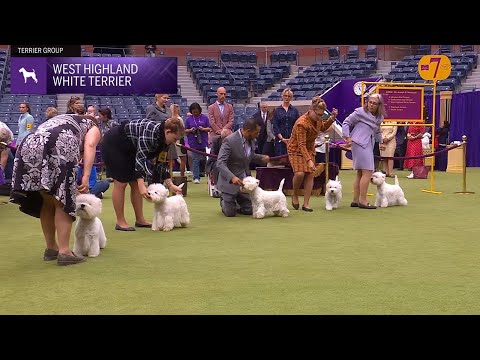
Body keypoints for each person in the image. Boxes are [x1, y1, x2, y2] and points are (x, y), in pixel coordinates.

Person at [9, 114, 102, 266]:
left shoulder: (66, 119)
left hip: (30, 144)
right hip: (57, 144)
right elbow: (90, 145)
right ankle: (64, 252)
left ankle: (51, 248)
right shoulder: (93, 126)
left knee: (48, 199)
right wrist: (86, 175)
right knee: (62, 199)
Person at [101, 117, 185, 231]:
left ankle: (140, 219)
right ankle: (120, 222)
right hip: (115, 143)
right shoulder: (150, 132)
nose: (175, 142)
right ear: (168, 132)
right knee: (121, 183)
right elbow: (141, 158)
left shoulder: (166, 141)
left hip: (131, 148)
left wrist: (170, 185)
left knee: (135, 183)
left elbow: (161, 162)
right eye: (175, 138)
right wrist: (142, 184)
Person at [287, 97, 337, 212]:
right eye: (318, 115)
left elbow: (323, 127)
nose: (320, 118)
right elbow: (301, 144)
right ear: (311, 109)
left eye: (321, 115)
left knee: (310, 174)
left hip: (309, 148)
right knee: (299, 174)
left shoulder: (318, 119)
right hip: (295, 149)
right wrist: (309, 160)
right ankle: (295, 194)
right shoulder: (301, 123)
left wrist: (332, 118)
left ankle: (306, 204)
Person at [216, 118, 269, 217]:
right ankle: (225, 200)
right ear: (248, 131)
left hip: (245, 184)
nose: (257, 136)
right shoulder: (229, 141)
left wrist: (262, 158)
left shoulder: (251, 140)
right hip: (230, 183)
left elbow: (248, 156)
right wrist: (232, 177)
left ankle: (238, 201)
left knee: (251, 209)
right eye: (256, 133)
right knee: (230, 213)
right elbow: (220, 163)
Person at [342, 93, 385, 209]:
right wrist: (347, 137)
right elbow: (346, 122)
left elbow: (377, 131)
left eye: (374, 103)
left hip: (367, 144)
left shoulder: (379, 117)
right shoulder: (360, 112)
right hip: (359, 143)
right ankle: (363, 201)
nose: (371, 105)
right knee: (368, 171)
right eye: (369, 102)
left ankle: (356, 200)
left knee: (360, 173)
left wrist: (380, 142)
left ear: (379, 105)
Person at [184, 102, 211, 184]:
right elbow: (185, 130)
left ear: (200, 110)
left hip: (203, 141)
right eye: (193, 112)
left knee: (205, 159)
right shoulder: (188, 119)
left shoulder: (205, 118)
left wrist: (203, 129)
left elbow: (209, 128)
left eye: (196, 111)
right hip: (193, 141)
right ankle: (196, 177)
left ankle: (208, 176)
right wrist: (191, 130)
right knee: (195, 159)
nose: (195, 113)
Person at [272, 88, 300, 157]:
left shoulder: (295, 111)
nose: (286, 97)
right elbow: (275, 126)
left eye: (289, 96)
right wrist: (282, 139)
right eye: (285, 95)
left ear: (291, 98)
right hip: (280, 140)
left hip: (292, 140)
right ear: (282, 96)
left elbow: (297, 125)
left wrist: (292, 138)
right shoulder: (277, 110)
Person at [169, 103, 187, 177]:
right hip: (178, 140)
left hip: (173, 140)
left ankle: (171, 176)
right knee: (183, 159)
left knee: (171, 160)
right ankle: (182, 176)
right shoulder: (179, 119)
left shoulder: (170, 119)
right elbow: (182, 129)